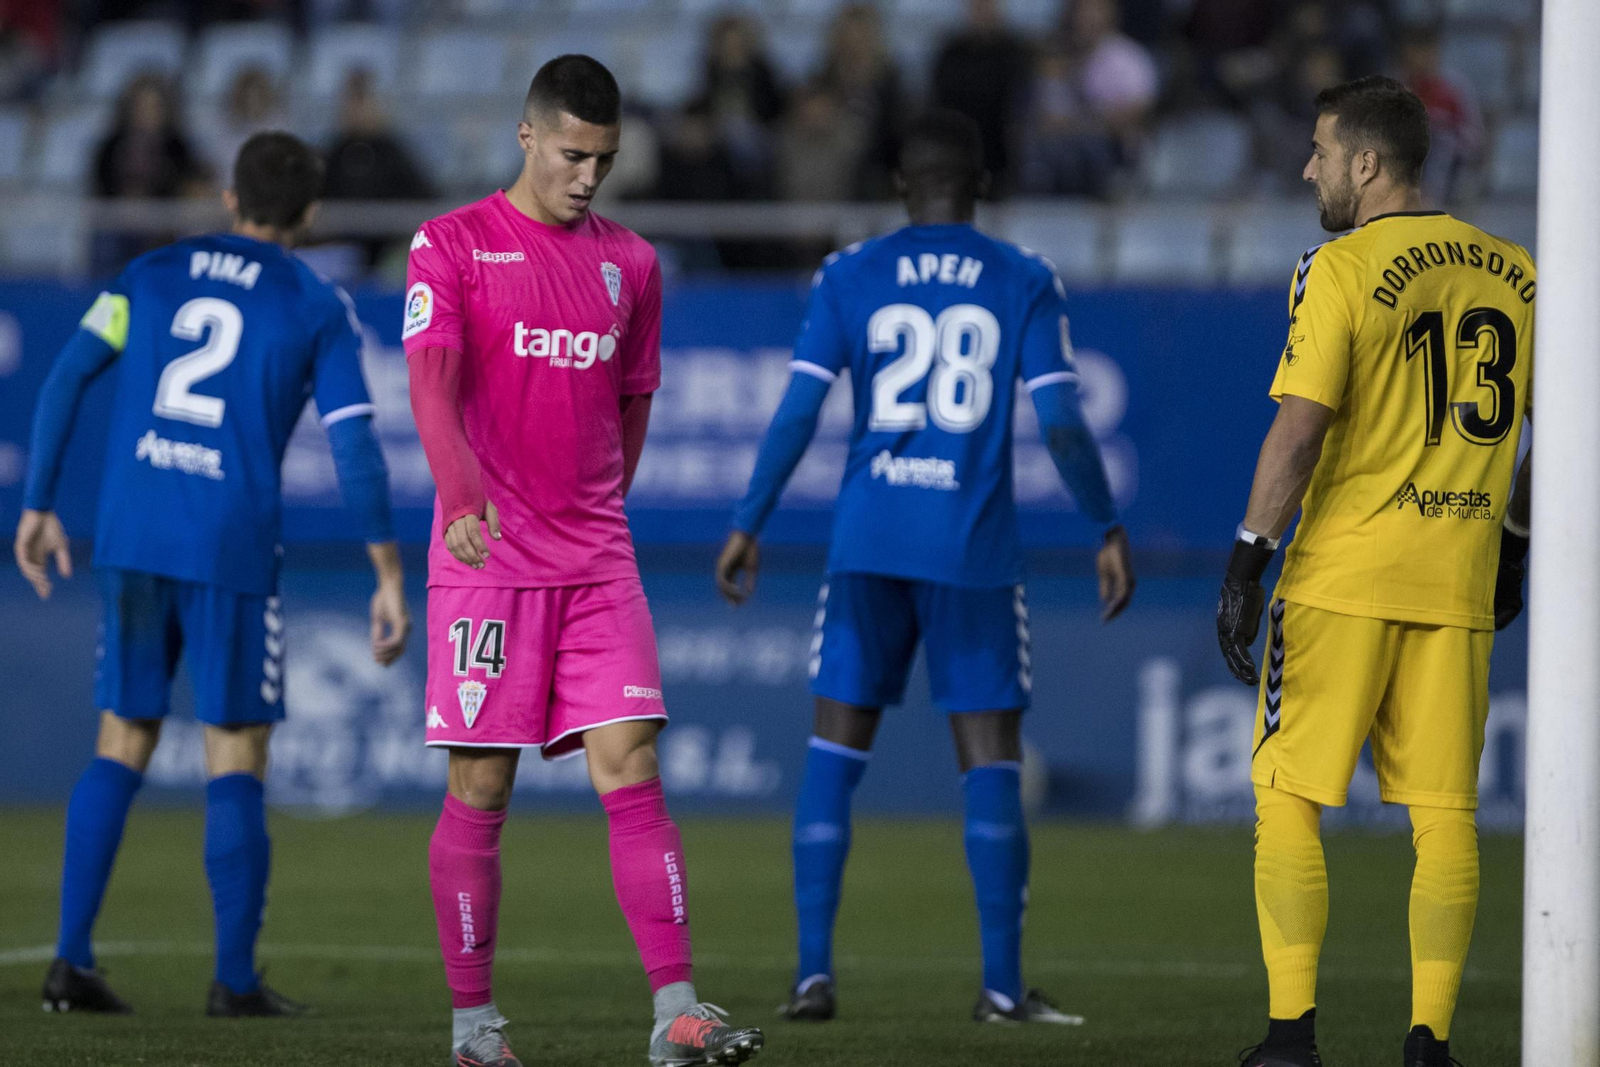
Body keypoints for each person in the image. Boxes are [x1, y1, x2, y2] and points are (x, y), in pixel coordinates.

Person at [716, 108, 1136, 1025]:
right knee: (988, 762)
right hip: (972, 552)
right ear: (981, 187)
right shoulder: (1022, 277)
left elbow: (796, 411)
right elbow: (1063, 420)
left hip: (866, 544)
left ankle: (812, 978)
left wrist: (749, 522)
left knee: (833, 754)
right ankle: (997, 988)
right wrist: (1105, 524)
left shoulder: (850, 272)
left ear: (901, 189)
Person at [403, 54, 763, 1067]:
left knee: (634, 763)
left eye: (603, 159)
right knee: (480, 786)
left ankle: (676, 1014)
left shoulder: (634, 264)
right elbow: (429, 386)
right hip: (487, 560)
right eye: (572, 154)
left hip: (599, 560)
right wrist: (464, 496)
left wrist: (601, 504)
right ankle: (475, 1029)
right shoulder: (451, 245)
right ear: (526, 137)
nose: (588, 176)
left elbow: (634, 398)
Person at [17, 131, 410, 1017]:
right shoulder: (314, 303)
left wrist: (38, 503)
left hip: (132, 532)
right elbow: (355, 444)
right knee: (235, 749)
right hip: (228, 542)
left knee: (122, 737)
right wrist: (387, 569)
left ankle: (69, 962)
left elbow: (65, 379)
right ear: (309, 216)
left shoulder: (147, 276)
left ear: (229, 199)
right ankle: (234, 981)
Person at [1215, 76, 1534, 1067]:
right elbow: (1555, 436)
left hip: (1342, 572)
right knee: (1444, 817)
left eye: (1317, 149)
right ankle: (1429, 1040)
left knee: (1288, 794)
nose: (1307, 166)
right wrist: (1513, 542)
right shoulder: (1520, 276)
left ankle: (1291, 1034)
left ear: (1364, 161)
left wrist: (1247, 555)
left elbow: (1299, 425)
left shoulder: (1338, 265)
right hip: (1456, 574)